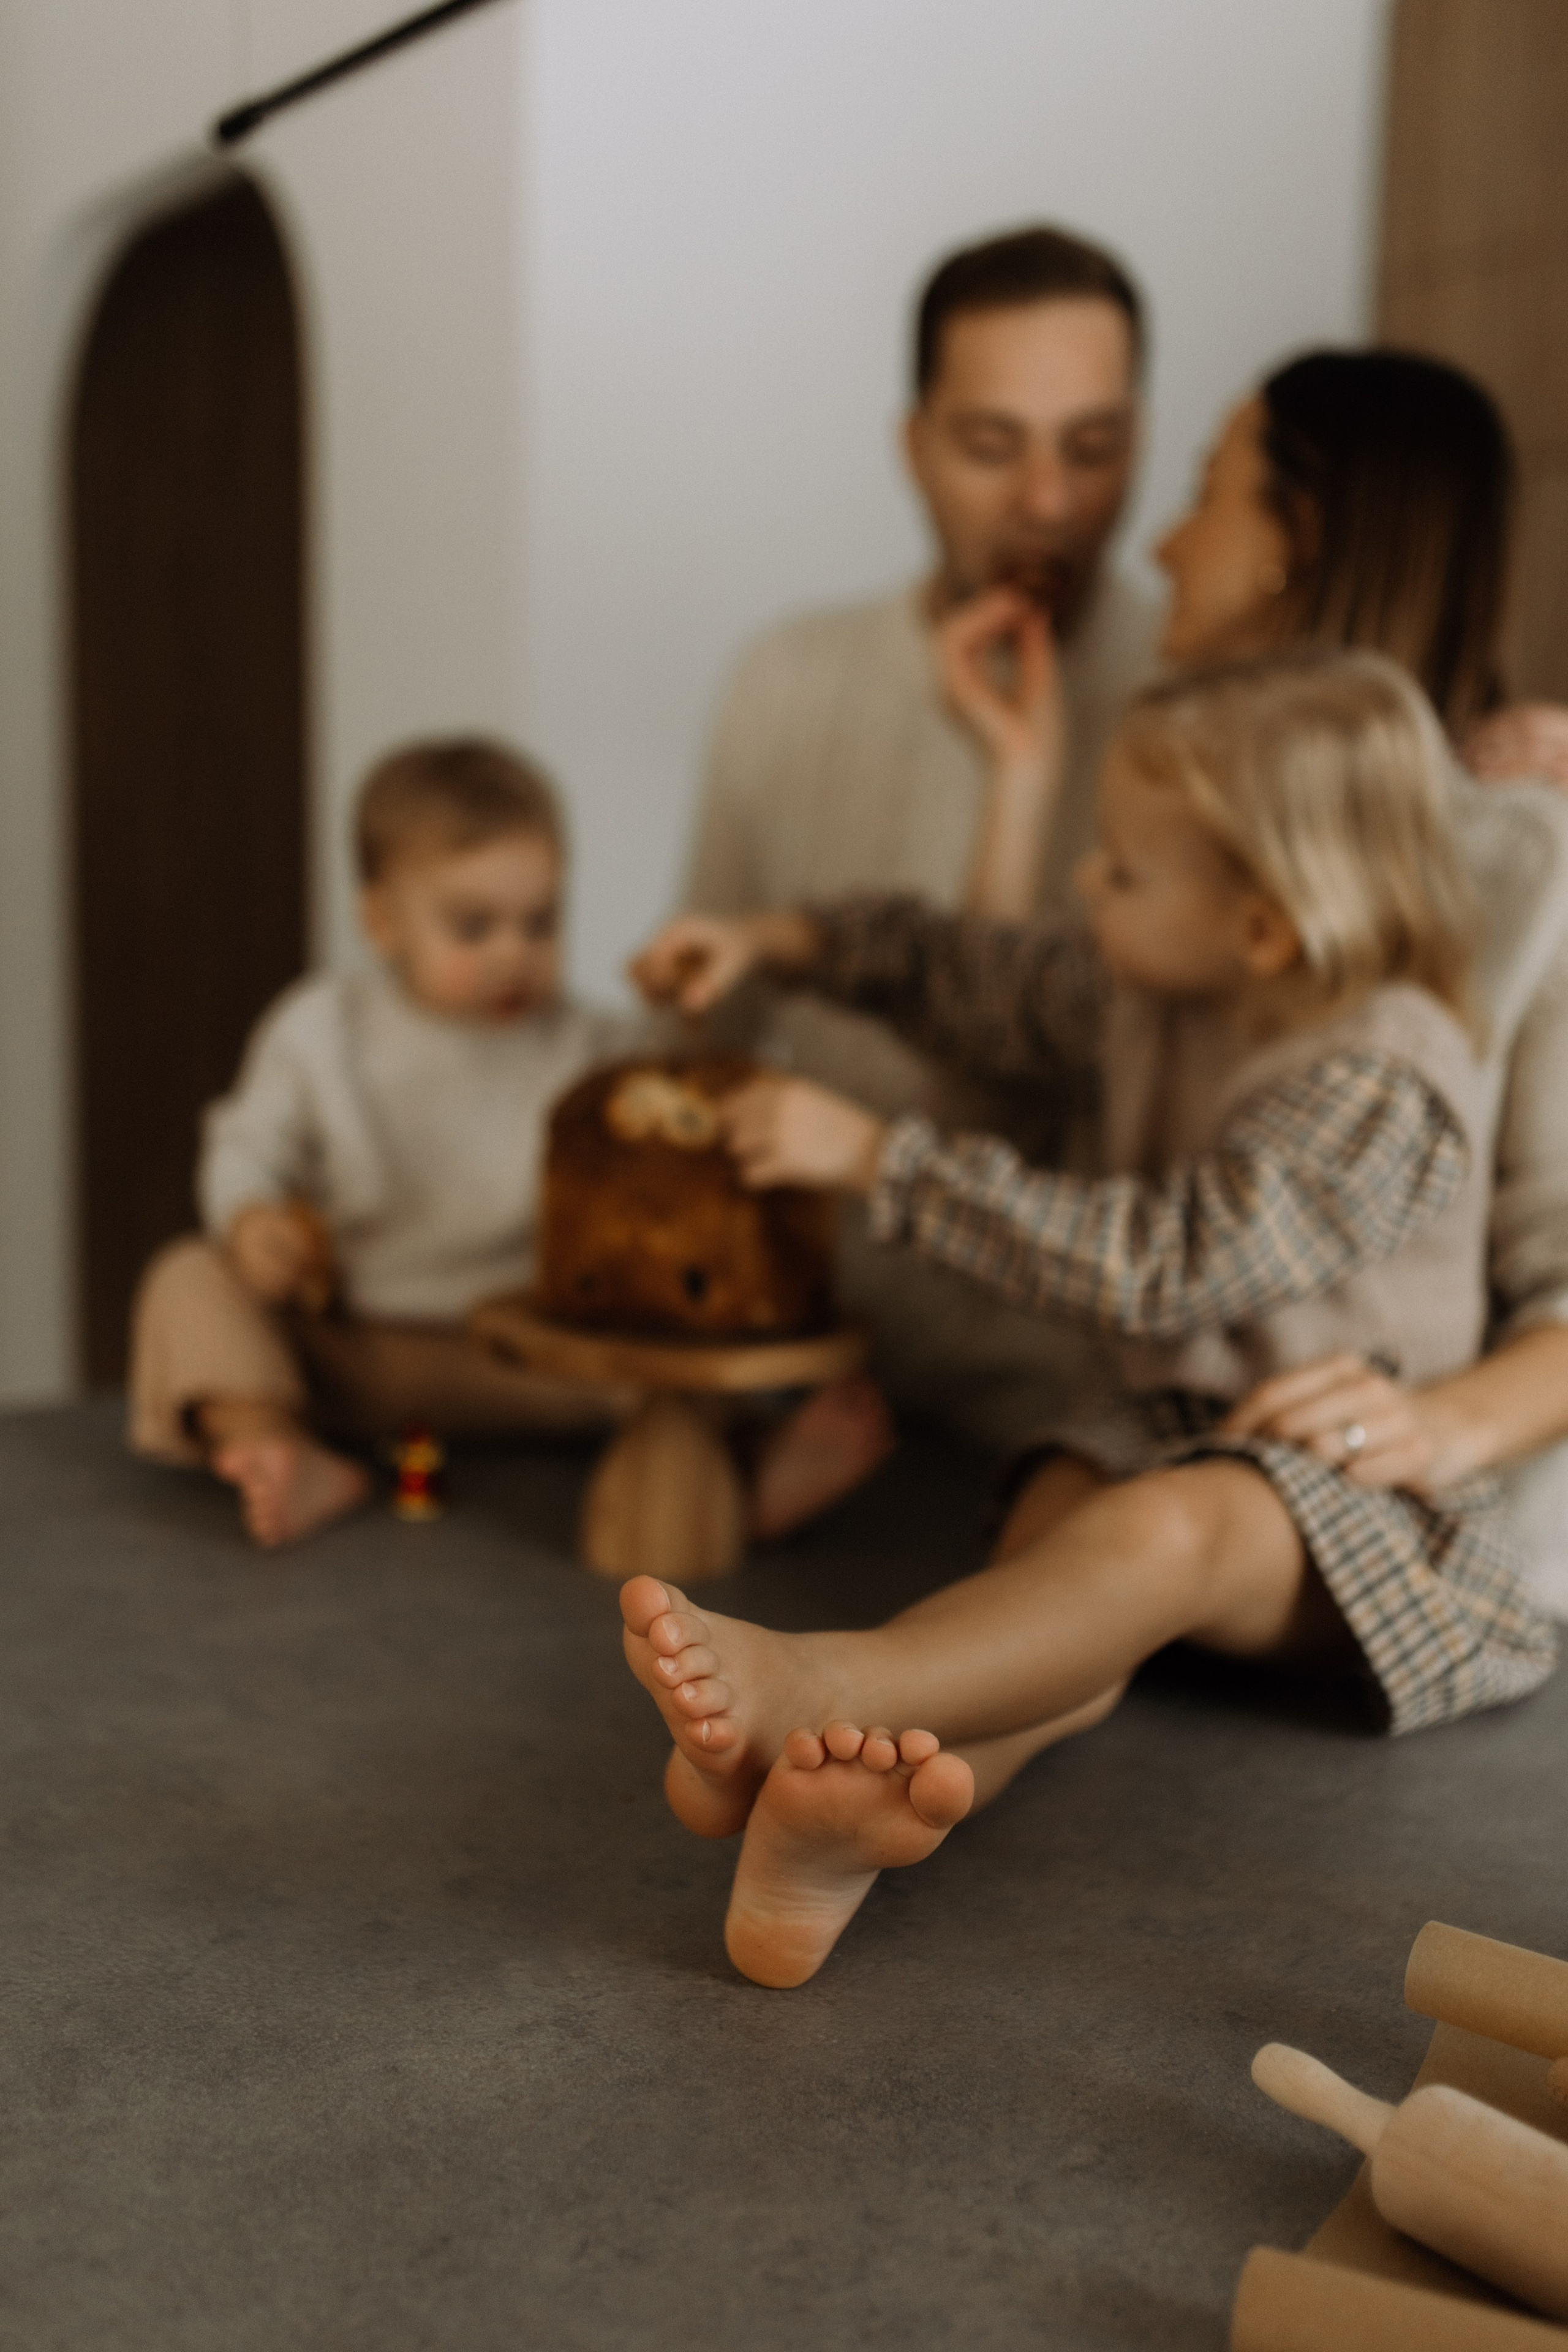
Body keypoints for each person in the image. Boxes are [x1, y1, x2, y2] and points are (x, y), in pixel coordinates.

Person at [625, 649, 1555, 1989]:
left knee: (1155, 1532)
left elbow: (1164, 1263)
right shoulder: (1151, 988)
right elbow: (968, 973)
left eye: (1120, 869)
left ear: (1261, 927)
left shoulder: (1380, 1075)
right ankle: (836, 1838)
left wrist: (878, 1161)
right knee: (1050, 1594)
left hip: (1351, 1499)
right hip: (1164, 1434)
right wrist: (786, 940)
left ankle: (827, 1689)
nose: (1085, 884)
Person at [955, 348, 1568, 1602]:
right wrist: (1016, 779)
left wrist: (1433, 1429)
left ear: (1298, 535)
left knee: (1143, 1538)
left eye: (1202, 493)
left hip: (1396, 1505)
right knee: (1049, 1550)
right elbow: (1020, 1032)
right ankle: (873, 1746)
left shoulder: (1521, 854)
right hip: (1157, 1425)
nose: (1163, 547)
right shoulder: (1179, 805)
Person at [683, 222, 1163, 1455]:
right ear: (914, 448)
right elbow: (705, 1044)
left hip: (1062, 1401)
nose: (1046, 504)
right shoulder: (787, 680)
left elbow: (1037, 1072)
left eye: (1091, 448)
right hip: (801, 1351)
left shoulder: (1192, 701)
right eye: (991, 448)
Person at [127, 738, 644, 1546]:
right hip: (355, 1347)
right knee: (188, 1277)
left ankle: (749, 1467)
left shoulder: (596, 1048)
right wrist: (252, 1217)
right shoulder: (321, 1030)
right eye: (474, 926)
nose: (514, 952)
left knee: (677, 1375)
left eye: (541, 922)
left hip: (526, 1354)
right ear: (381, 922)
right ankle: (274, 1442)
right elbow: (248, 1145)